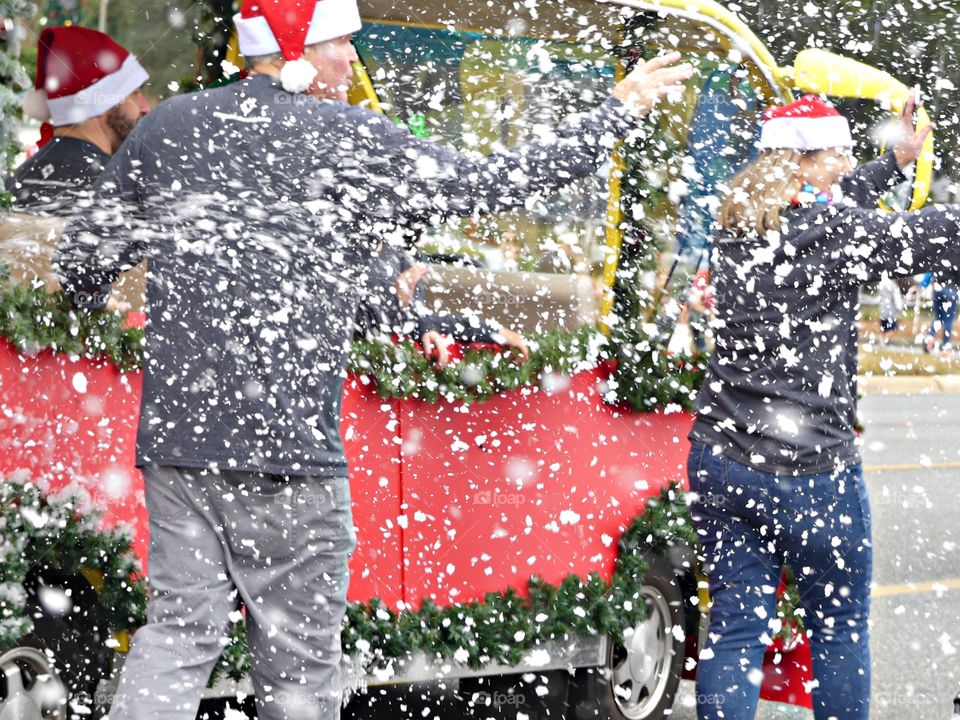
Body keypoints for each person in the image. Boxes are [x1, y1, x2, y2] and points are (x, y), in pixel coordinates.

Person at [53, 0, 693, 717]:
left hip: (180, 447)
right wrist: (613, 112)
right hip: (288, 454)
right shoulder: (347, 137)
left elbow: (81, 265)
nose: (351, 61)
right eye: (340, 45)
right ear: (295, 54)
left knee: (178, 634)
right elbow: (493, 183)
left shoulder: (169, 126)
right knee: (298, 668)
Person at [687, 93, 959, 720]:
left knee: (735, 627)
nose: (846, 163)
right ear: (802, 161)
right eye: (837, 152)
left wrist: (895, 162)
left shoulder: (740, 216)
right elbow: (929, 235)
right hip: (810, 468)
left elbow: (834, 210)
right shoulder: (833, 232)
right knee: (838, 626)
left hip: (722, 453)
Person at [6, 26, 151, 213]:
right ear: (102, 103)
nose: (145, 107)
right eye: (134, 93)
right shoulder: (121, 190)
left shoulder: (14, 183)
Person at [357, 244, 529, 367]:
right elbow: (361, 322)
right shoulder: (348, 252)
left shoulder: (401, 254)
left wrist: (493, 331)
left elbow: (417, 320)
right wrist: (398, 305)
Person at [918, 269, 959, 353]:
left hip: (937, 290)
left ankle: (930, 338)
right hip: (951, 290)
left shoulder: (938, 260)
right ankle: (945, 346)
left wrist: (923, 284)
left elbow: (929, 274)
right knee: (948, 320)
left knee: (938, 318)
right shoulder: (956, 261)